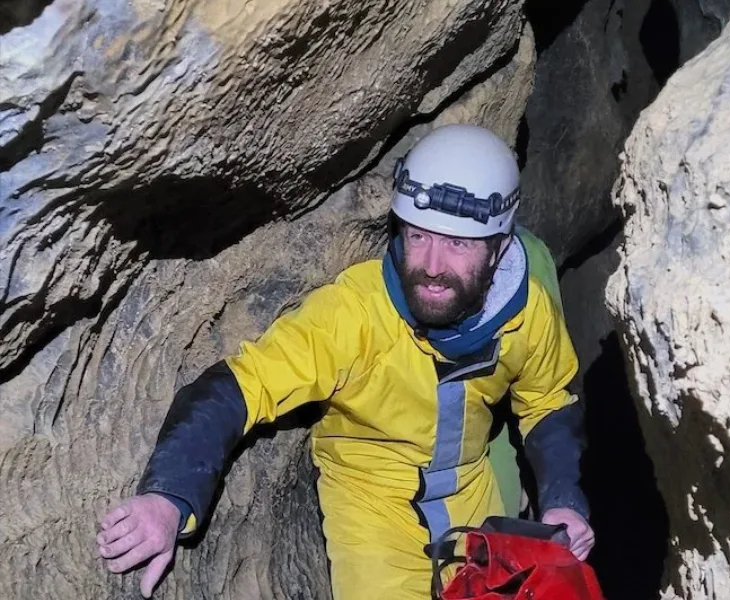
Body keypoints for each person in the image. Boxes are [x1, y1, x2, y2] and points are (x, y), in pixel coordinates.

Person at [96, 124, 595, 599]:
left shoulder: (527, 310)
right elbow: (239, 388)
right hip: (371, 513)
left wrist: (562, 501)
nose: (433, 266)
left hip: (476, 496)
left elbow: (549, 400)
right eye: (418, 236)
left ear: (500, 248)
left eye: (458, 244)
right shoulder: (354, 315)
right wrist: (169, 498)